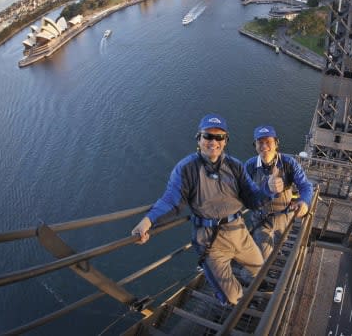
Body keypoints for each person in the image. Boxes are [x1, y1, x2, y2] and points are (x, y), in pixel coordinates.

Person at [131, 114, 284, 306]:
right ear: (199, 139)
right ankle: (243, 303)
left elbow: (253, 199)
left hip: (239, 232)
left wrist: (268, 190)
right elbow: (172, 200)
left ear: (225, 141)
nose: (214, 142)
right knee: (231, 297)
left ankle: (258, 293)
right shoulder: (186, 168)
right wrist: (148, 221)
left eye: (219, 137)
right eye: (208, 136)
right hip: (211, 242)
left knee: (260, 269)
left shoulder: (235, 166)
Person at [245, 125, 313, 259]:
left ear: (276, 143)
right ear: (255, 145)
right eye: (260, 142)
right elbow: (243, 192)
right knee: (263, 256)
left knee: (281, 241)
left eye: (268, 142)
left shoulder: (289, 163)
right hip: (261, 218)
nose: (264, 146)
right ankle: (259, 272)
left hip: (284, 215)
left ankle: (278, 250)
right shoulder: (249, 166)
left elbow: (305, 186)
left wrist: (303, 202)